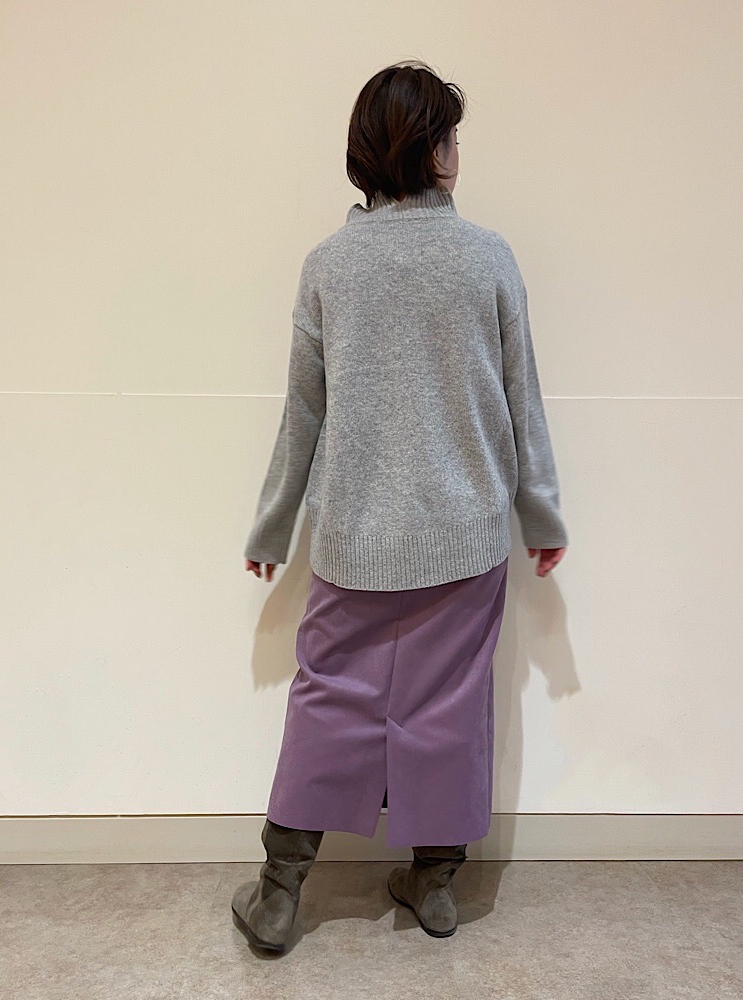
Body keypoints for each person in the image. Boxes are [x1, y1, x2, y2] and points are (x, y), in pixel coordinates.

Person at [231, 59, 569, 954]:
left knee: (328, 702)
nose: (458, 152)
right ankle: (435, 883)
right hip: (465, 540)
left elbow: (303, 414)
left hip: (355, 540)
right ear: (432, 151)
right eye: (450, 136)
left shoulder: (329, 266)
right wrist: (542, 514)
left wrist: (273, 525)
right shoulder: (489, 257)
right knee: (447, 710)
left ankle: (280, 891)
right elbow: (523, 401)